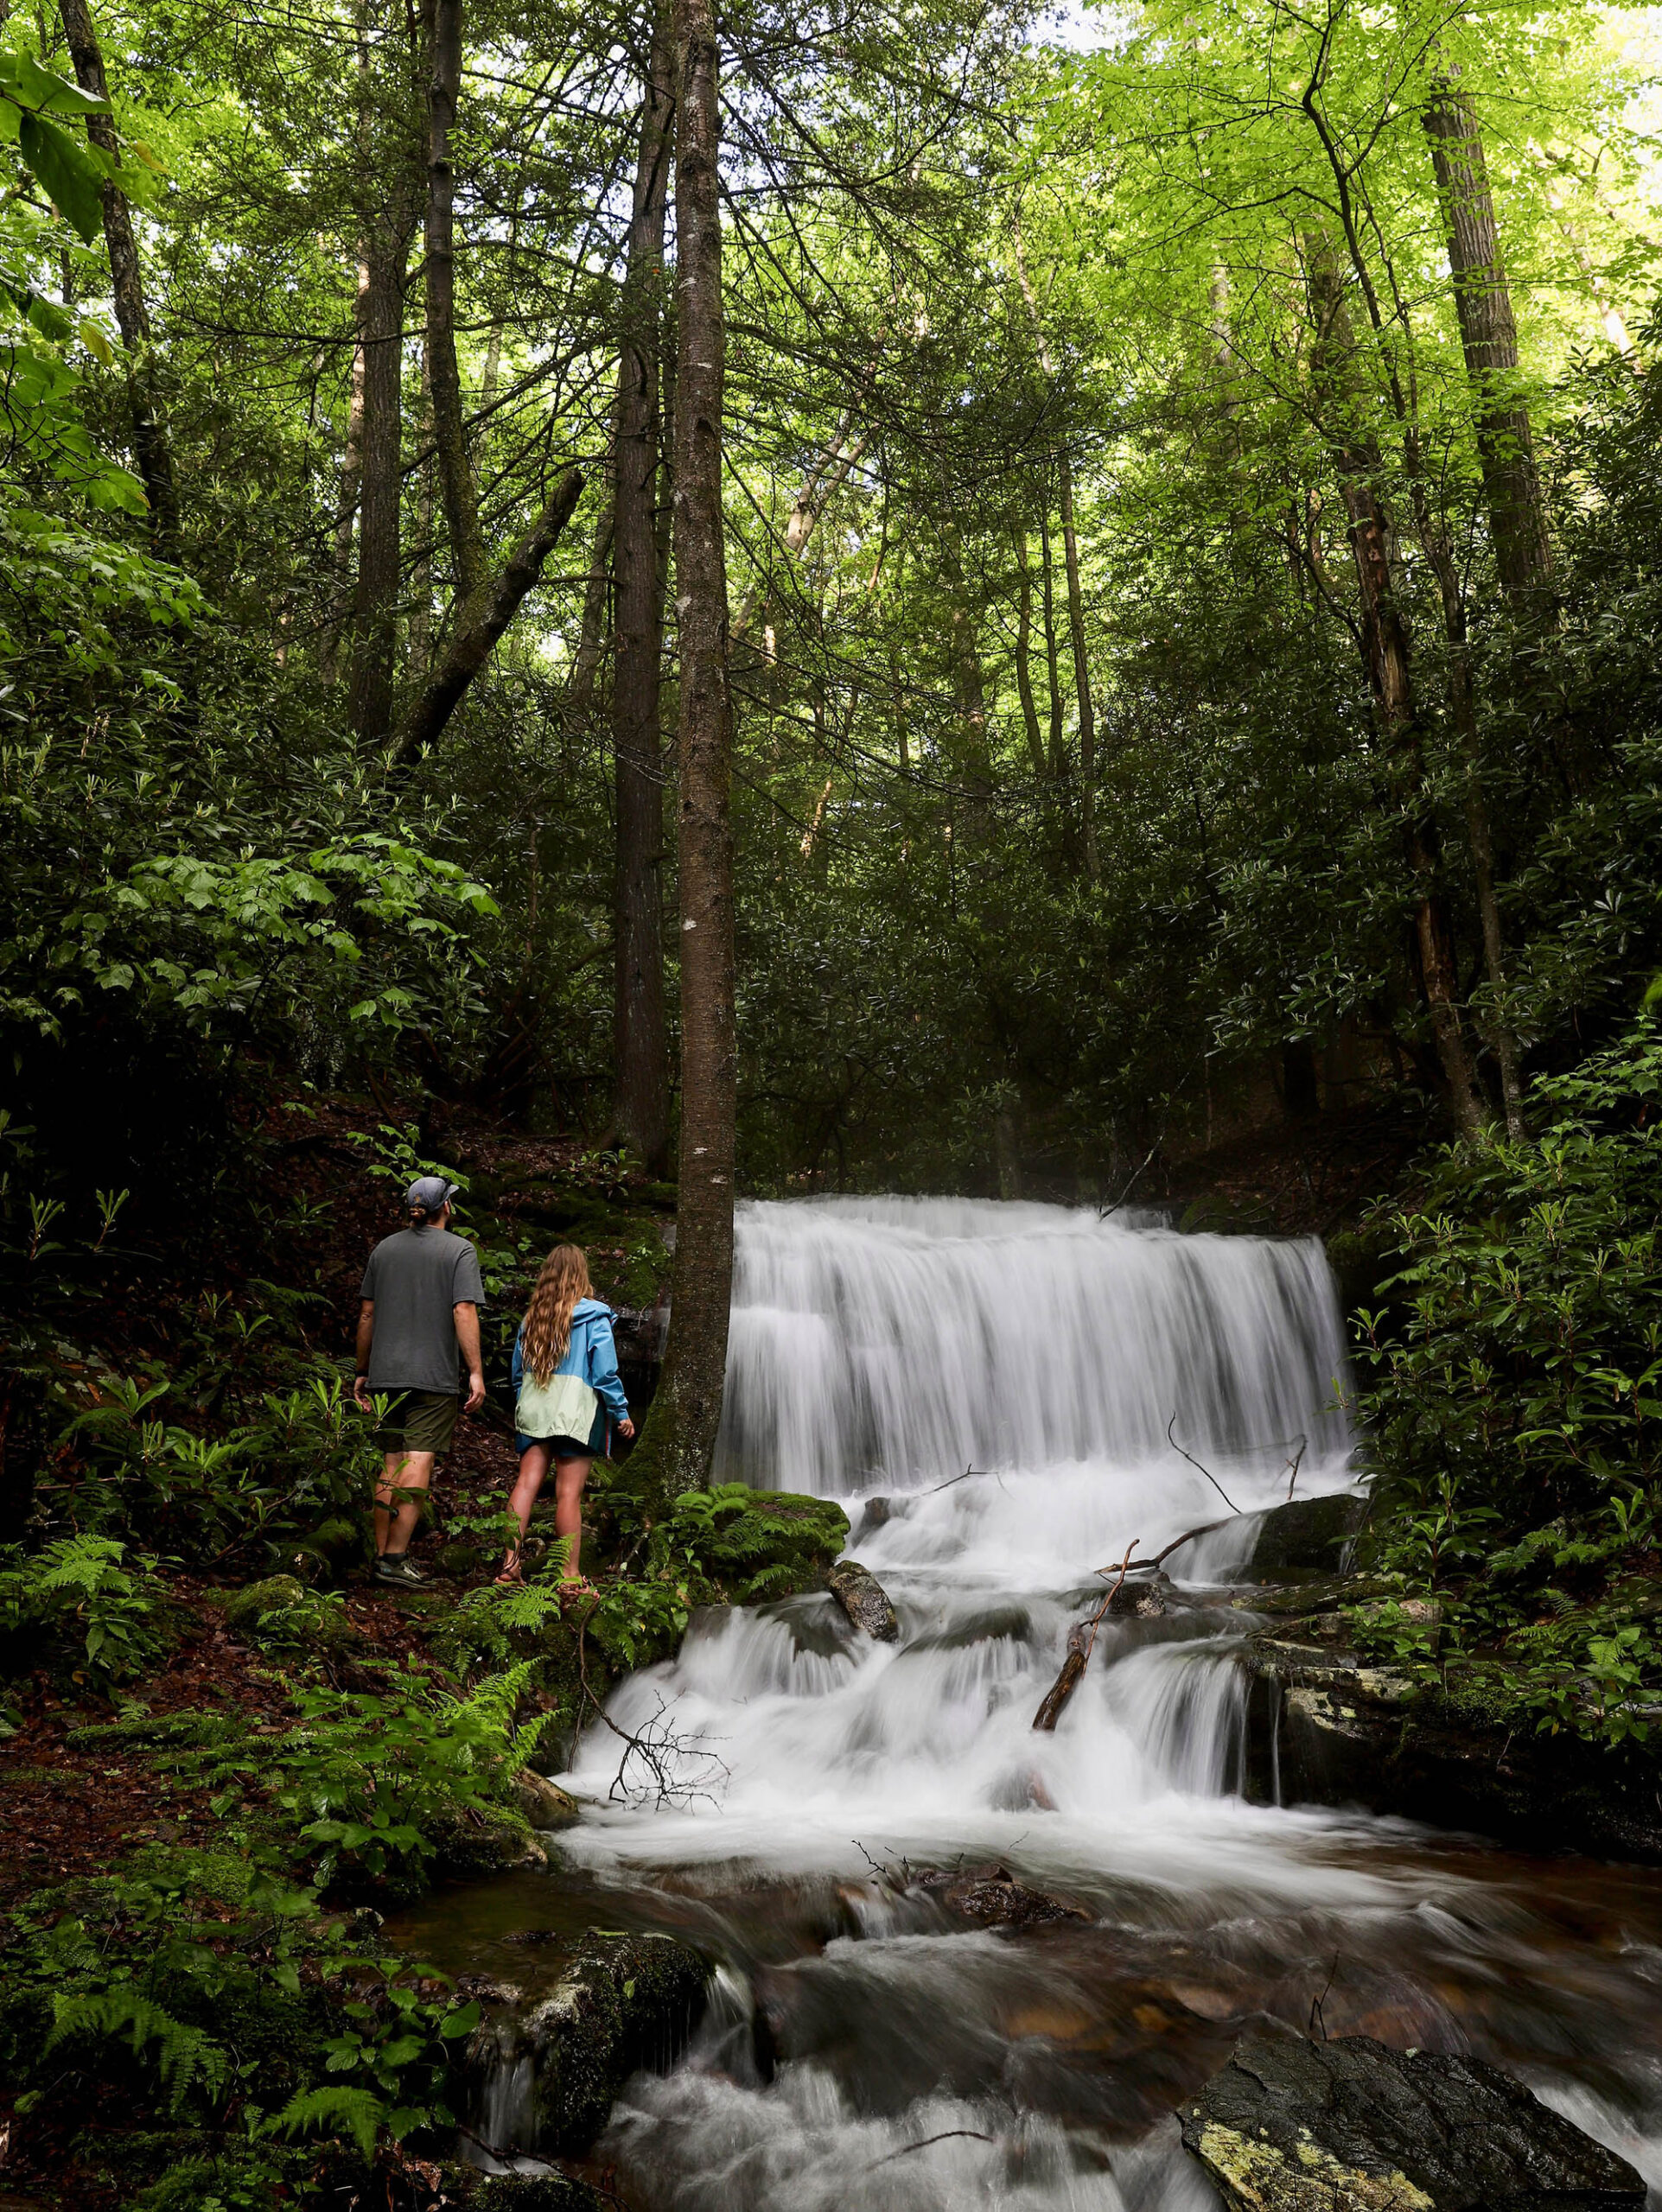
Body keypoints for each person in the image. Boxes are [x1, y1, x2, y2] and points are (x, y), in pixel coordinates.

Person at [353, 1174, 486, 1587]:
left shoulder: (384, 1249)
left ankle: (380, 1556)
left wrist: (362, 1371)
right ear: (446, 1207)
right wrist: (476, 1371)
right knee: (418, 1459)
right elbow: (463, 1310)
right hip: (432, 1376)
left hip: (385, 1373)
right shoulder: (460, 1251)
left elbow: (367, 1315)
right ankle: (394, 1558)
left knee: (390, 1463)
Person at [500, 1243, 634, 1592]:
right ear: (581, 1275)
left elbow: (517, 1372)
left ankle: (509, 1565)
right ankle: (568, 1575)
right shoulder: (594, 1317)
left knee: (526, 1483)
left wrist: (525, 1401)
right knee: (569, 1493)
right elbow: (604, 1373)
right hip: (576, 1413)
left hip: (534, 1408)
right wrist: (620, 1412)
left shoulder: (533, 1318)